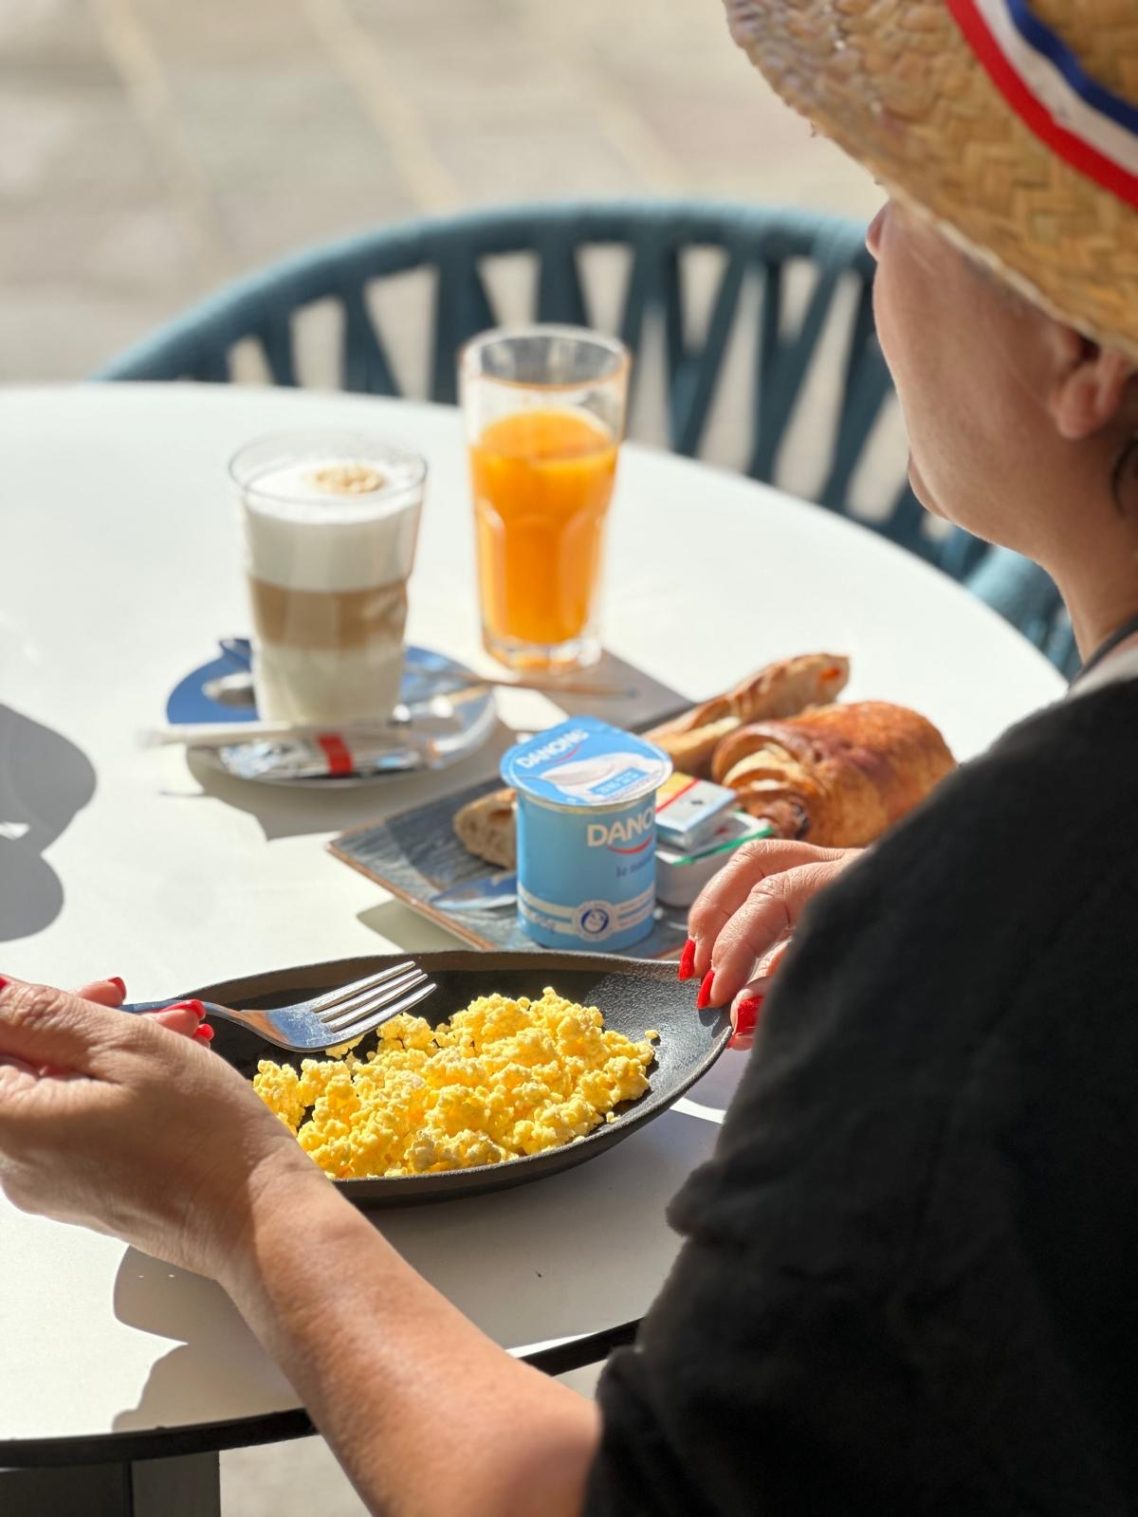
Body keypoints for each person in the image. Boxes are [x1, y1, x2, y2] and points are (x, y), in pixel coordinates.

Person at [5, 0, 1138, 1510]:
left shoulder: (1003, 937)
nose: (871, 239)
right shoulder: (998, 912)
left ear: (1080, 350)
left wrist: (249, 1193)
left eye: (913, 196)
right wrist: (915, 949)